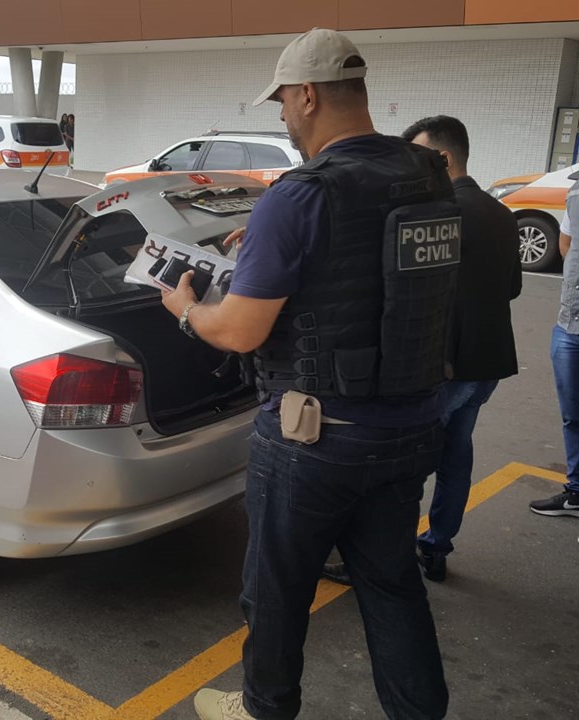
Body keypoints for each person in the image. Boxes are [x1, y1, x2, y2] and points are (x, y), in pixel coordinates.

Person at [161, 28, 457, 720]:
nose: (286, 121)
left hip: (312, 442)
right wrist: (265, 243)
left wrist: (185, 309)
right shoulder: (426, 175)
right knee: (390, 585)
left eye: (284, 107)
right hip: (411, 426)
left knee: (276, 591)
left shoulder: (301, 195)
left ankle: (264, 710)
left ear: (307, 95)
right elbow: (383, 278)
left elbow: (239, 330)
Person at [323, 116, 522, 585]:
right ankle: (435, 548)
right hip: (486, 366)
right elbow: (512, 288)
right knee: (455, 454)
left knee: (400, 464)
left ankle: (375, 562)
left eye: (418, 155)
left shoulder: (441, 211)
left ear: (443, 159)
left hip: (444, 366)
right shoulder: (500, 213)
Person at [530, 172, 579, 518]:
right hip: (570, 326)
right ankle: (576, 491)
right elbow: (566, 242)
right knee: (572, 416)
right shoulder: (577, 190)